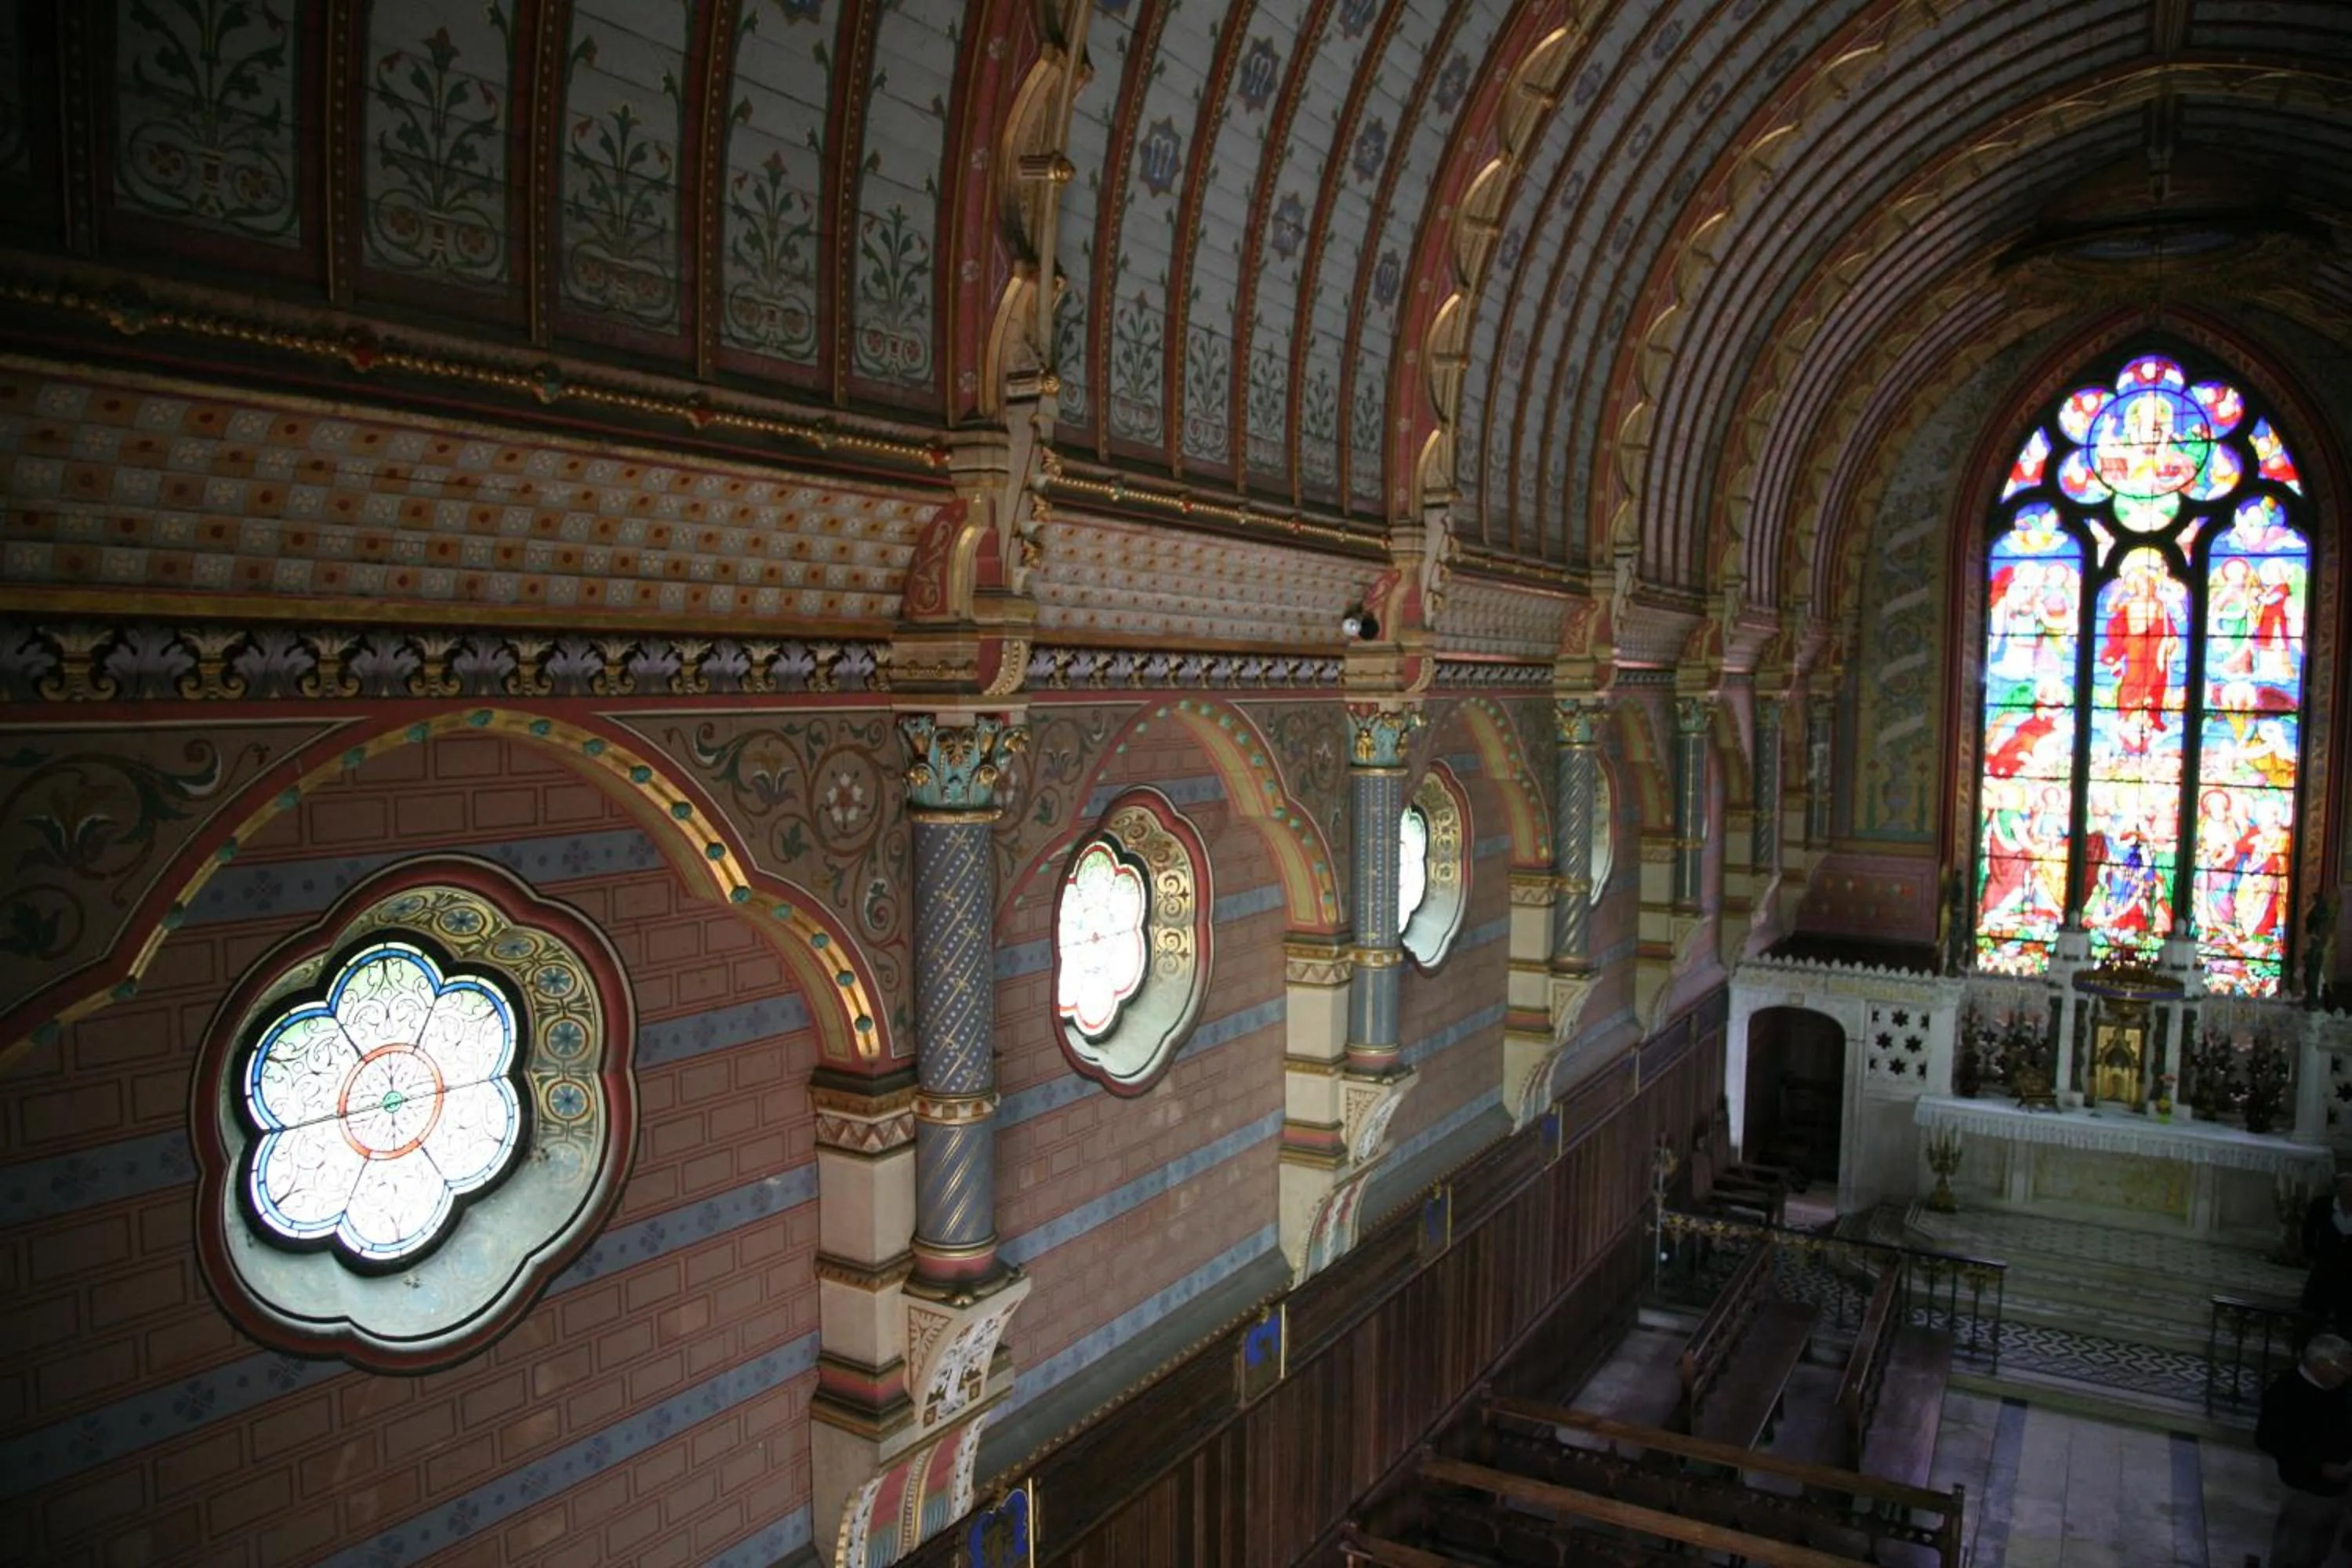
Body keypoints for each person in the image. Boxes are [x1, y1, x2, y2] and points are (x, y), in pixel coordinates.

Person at [2258, 1334, 2352, 1568]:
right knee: (2294, 1553)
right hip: (2305, 1489)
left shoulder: (2338, 1389)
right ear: (2321, 1364)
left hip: (2337, 1490)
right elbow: (2269, 1439)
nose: (2347, 1374)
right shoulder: (2286, 1392)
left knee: (2318, 1552)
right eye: (2342, 1369)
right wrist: (2318, 1467)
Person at [2304, 1177, 2352, 1332]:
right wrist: (2311, 1256)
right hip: (2324, 1268)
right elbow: (2308, 1232)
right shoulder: (2322, 1205)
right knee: (2314, 1314)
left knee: (2345, 1317)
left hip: (2349, 1273)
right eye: (2347, 1192)